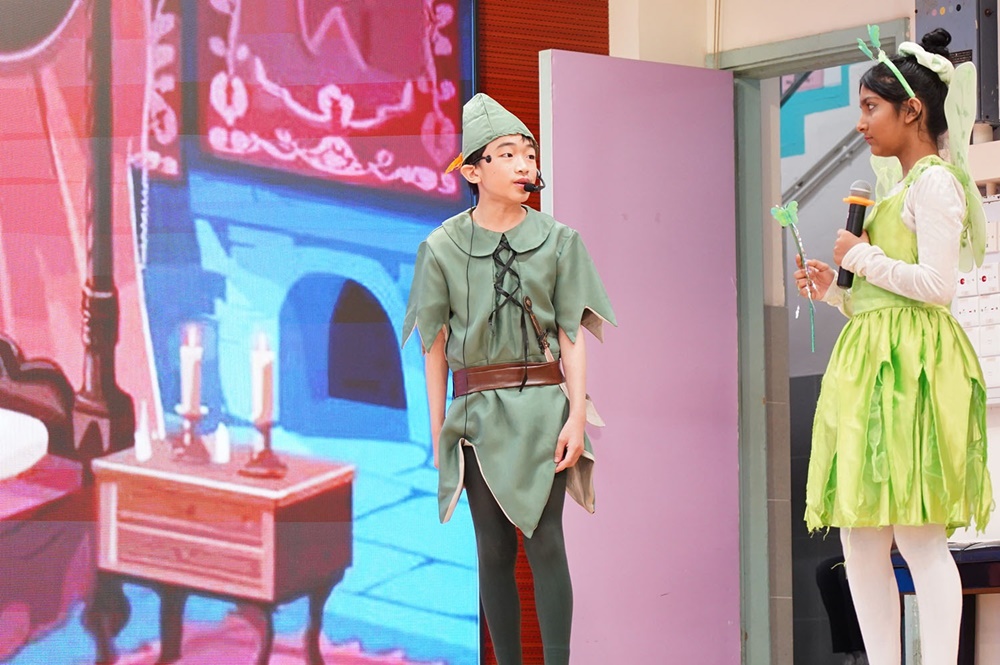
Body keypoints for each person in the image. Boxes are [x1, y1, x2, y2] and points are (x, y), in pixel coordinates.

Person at [793, 27, 992, 665]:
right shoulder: (896, 189)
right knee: (860, 535)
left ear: (912, 111)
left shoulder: (936, 183)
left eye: (870, 107)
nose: (861, 123)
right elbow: (877, 298)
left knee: (919, 534)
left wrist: (862, 256)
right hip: (872, 361)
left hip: (914, 367)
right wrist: (834, 289)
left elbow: (936, 287)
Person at [401, 93, 615, 664]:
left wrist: (576, 416)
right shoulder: (441, 247)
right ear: (473, 171)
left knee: (547, 542)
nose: (525, 165)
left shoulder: (561, 241)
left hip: (545, 409)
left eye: (529, 154)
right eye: (508, 154)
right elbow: (434, 348)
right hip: (475, 416)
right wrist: (438, 433)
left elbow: (570, 335)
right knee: (492, 549)